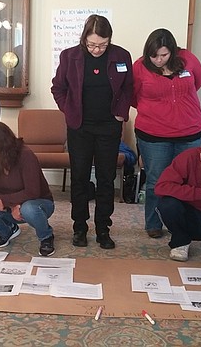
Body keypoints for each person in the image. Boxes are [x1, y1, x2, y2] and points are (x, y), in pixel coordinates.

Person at [51, 14, 133, 250]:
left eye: (103, 45)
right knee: (80, 177)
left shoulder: (120, 55)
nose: (97, 50)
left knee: (106, 179)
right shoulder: (70, 56)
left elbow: (128, 88)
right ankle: (79, 227)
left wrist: (121, 111)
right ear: (84, 38)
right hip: (80, 127)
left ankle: (103, 229)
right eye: (92, 44)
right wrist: (69, 110)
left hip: (109, 126)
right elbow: (58, 88)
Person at [132, 28, 201, 239]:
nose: (158, 60)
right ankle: (153, 223)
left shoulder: (188, 59)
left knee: (187, 181)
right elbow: (132, 96)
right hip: (153, 134)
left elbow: (196, 83)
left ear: (172, 51)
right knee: (156, 180)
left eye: (164, 55)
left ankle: (181, 223)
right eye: (154, 56)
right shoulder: (139, 67)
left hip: (189, 132)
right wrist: (157, 110)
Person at [0, 122, 56, 256]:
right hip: (7, 203)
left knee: (28, 209)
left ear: (0, 148)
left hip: (38, 202)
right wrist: (11, 204)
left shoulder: (26, 156)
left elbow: (33, 191)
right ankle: (8, 231)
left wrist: (11, 202)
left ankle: (46, 236)